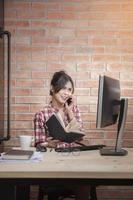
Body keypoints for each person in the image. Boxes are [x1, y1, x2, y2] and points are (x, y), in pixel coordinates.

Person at [34, 70, 90, 200]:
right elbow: (38, 143)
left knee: (85, 179)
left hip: (75, 162)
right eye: (63, 88)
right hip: (52, 165)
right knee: (82, 182)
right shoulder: (42, 114)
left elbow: (81, 136)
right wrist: (48, 144)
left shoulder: (74, 110)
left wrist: (70, 113)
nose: (67, 93)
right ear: (53, 88)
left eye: (70, 89)